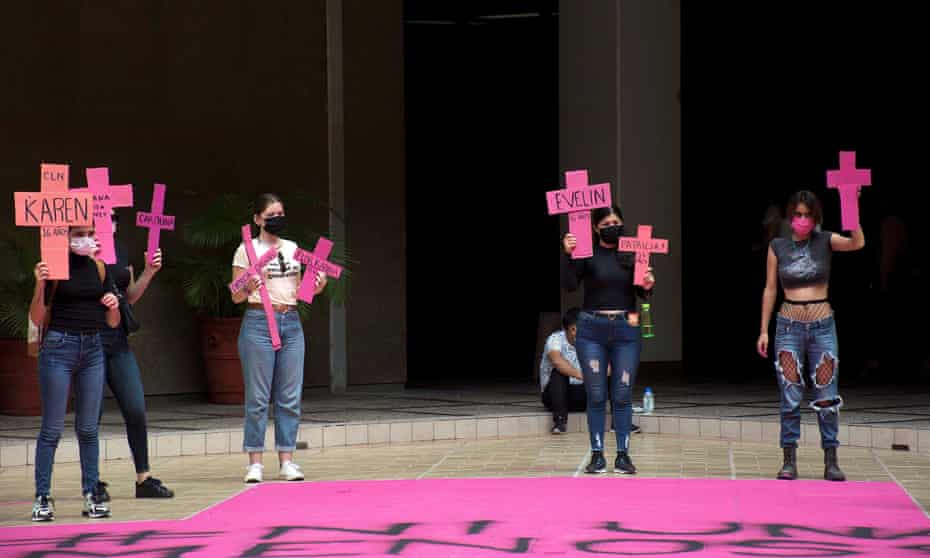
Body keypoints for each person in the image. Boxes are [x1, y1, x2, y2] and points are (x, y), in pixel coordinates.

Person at [757, 190, 865, 481]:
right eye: (798, 214)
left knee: (827, 392)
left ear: (815, 217)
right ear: (790, 216)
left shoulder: (825, 240)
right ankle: (788, 459)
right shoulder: (777, 246)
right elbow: (770, 288)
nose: (802, 219)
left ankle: (831, 459)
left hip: (821, 325)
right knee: (790, 393)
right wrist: (763, 330)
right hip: (788, 326)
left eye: (807, 215)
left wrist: (851, 207)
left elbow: (857, 242)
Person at [231, 193, 326, 483]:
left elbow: (301, 291)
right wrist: (249, 285)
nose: (276, 220)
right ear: (257, 219)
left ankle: (287, 460)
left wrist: (317, 285)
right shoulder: (246, 250)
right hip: (259, 321)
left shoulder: (293, 248)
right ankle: (255, 462)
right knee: (258, 398)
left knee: (289, 397)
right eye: (271, 215)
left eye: (280, 214)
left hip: (291, 321)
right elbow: (236, 295)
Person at [29, 225, 119, 521]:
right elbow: (37, 317)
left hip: (93, 348)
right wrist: (39, 284)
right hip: (59, 347)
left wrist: (113, 305)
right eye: (78, 234)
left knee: (89, 429)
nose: (86, 239)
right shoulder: (53, 266)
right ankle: (42, 497)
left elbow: (113, 321)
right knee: (52, 428)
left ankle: (92, 493)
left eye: (90, 233)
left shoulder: (99, 267)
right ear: (64, 235)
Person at [562, 204, 655, 475]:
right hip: (591, 329)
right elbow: (569, 284)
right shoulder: (587, 253)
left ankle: (623, 456)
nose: (612, 227)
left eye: (616, 222)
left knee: (622, 394)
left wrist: (648, 283)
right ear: (595, 228)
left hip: (627, 329)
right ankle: (597, 455)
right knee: (596, 394)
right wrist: (567, 254)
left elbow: (643, 292)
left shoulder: (634, 252)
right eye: (606, 224)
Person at [94, 209, 174, 500]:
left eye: (114, 218)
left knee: (136, 408)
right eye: (103, 217)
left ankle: (144, 478)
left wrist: (149, 272)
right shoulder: (78, 254)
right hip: (88, 342)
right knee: (92, 416)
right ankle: (92, 482)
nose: (109, 222)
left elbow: (128, 297)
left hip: (117, 342)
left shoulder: (120, 249)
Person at [540, 308, 585, 434]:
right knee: (559, 371)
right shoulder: (555, 339)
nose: (576, 333)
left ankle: (618, 422)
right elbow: (557, 362)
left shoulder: (590, 341)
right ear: (567, 329)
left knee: (613, 370)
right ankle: (559, 422)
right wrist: (584, 376)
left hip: (581, 395)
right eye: (573, 329)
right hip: (554, 396)